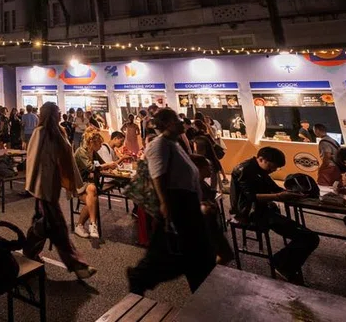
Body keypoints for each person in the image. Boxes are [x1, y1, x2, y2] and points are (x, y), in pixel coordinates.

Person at [128, 108, 214, 294]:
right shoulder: (160, 145)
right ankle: (139, 276)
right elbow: (158, 175)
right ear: (167, 124)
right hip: (176, 202)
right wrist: (165, 203)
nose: (181, 123)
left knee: (185, 254)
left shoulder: (174, 143)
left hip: (186, 202)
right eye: (176, 120)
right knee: (172, 252)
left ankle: (142, 276)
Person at [22, 102, 96, 279]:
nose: (59, 115)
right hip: (44, 187)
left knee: (42, 223)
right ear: (50, 114)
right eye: (57, 112)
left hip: (51, 187)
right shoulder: (40, 133)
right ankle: (77, 264)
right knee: (58, 227)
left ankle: (29, 251)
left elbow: (65, 158)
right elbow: (35, 161)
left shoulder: (58, 132)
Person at [230, 146, 319, 284]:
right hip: (249, 212)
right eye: (273, 167)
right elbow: (251, 197)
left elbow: (273, 187)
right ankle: (280, 264)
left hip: (265, 209)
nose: (274, 170)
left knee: (308, 237)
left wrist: (291, 194)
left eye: (276, 168)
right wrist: (278, 196)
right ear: (261, 159)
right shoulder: (244, 169)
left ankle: (282, 264)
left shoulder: (261, 169)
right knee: (309, 238)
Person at [190, 154, 234, 265]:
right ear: (198, 168)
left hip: (211, 226)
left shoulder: (200, 183)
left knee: (224, 254)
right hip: (205, 227)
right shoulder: (193, 185)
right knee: (222, 255)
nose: (211, 169)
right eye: (207, 167)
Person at [73, 129, 106, 238]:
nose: (101, 146)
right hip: (78, 184)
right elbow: (91, 167)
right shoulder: (81, 152)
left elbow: (102, 164)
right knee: (92, 194)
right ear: (92, 142)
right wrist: (106, 166)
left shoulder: (93, 152)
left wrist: (111, 165)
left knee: (92, 191)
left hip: (88, 183)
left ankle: (86, 225)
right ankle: (90, 224)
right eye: (100, 143)